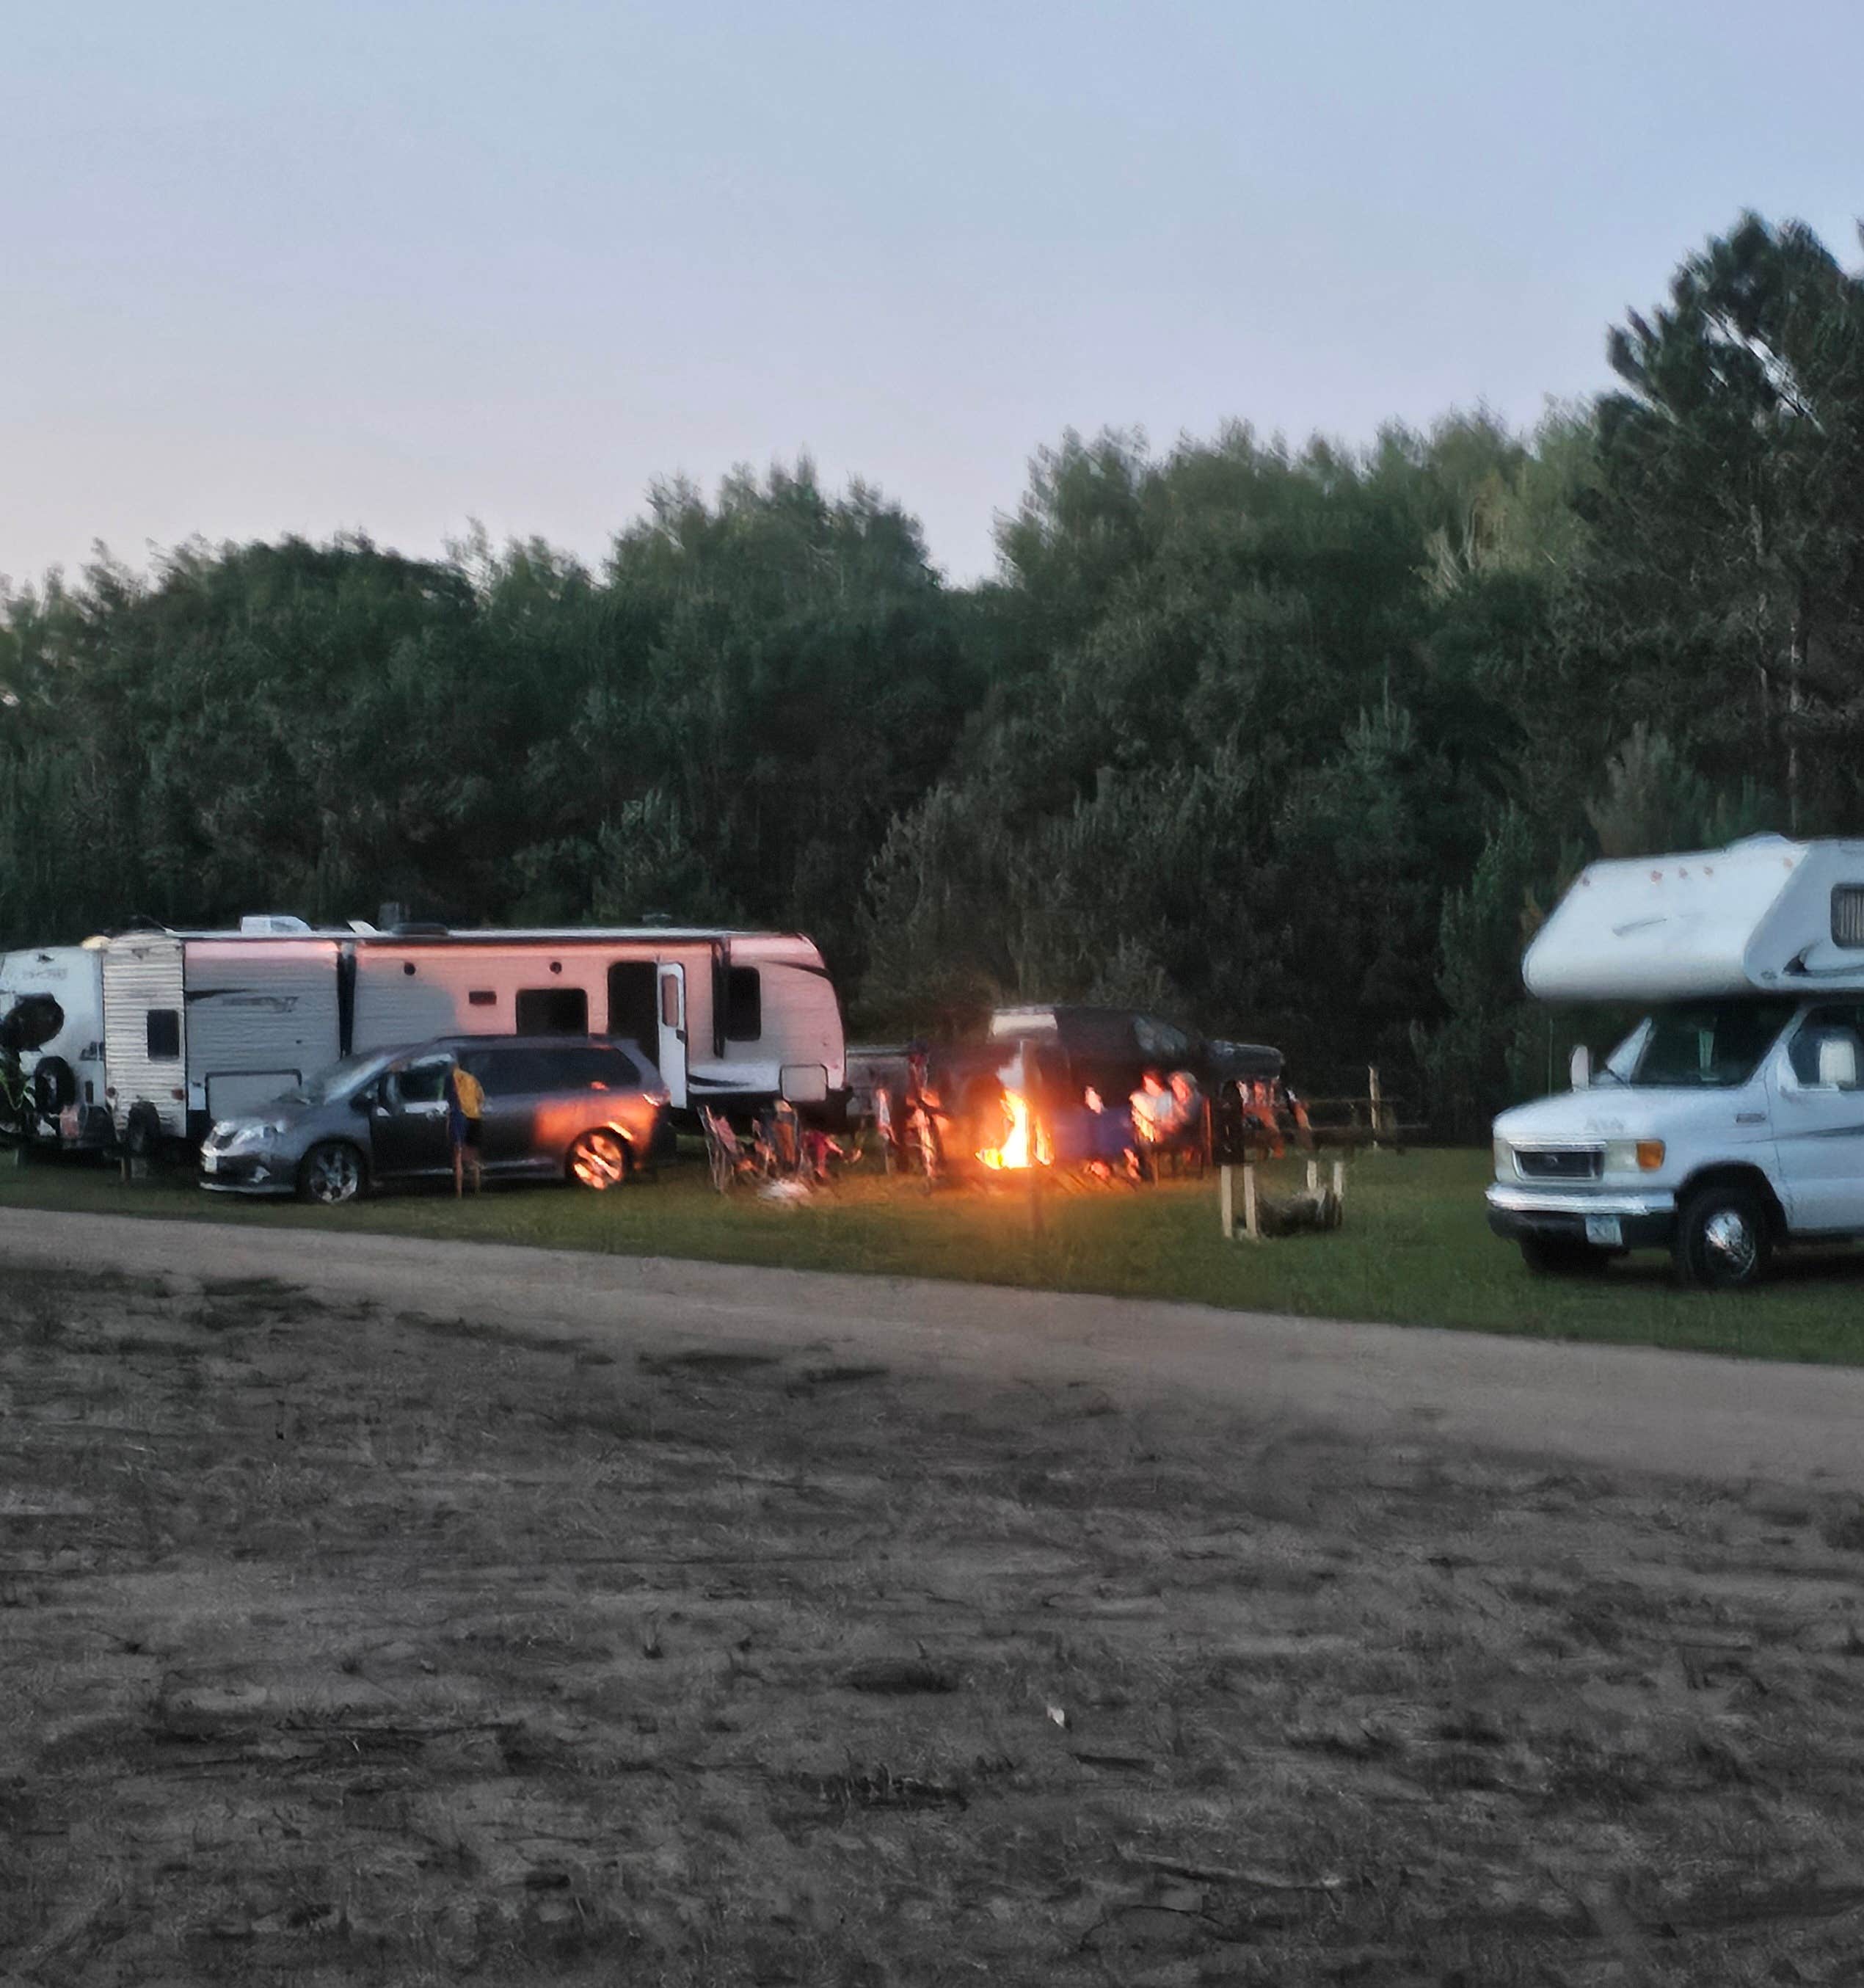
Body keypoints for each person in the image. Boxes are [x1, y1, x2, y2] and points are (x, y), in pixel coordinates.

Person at [446, 1055, 485, 1196]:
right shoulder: (472, 1079)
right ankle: (477, 1189)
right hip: (475, 1117)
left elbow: (450, 1099)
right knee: (474, 1157)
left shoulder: (452, 1078)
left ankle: (459, 1192)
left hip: (460, 1117)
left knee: (458, 1156)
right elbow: (481, 1098)